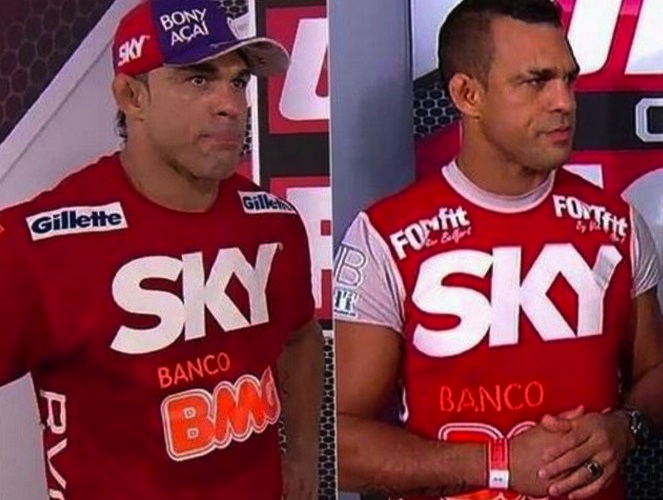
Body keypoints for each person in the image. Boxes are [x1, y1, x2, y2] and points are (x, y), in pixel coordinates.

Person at [333, 0, 663, 499]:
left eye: (568, 79)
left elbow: (655, 374)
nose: (564, 102)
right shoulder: (384, 236)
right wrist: (498, 465)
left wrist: (624, 427)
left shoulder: (619, 226)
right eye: (536, 81)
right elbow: (340, 444)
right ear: (468, 94)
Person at [0, 0, 324, 498]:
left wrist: (302, 456)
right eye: (198, 79)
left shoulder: (274, 223)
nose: (231, 105)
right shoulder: (39, 243)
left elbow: (301, 337)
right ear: (132, 96)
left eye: (238, 81)